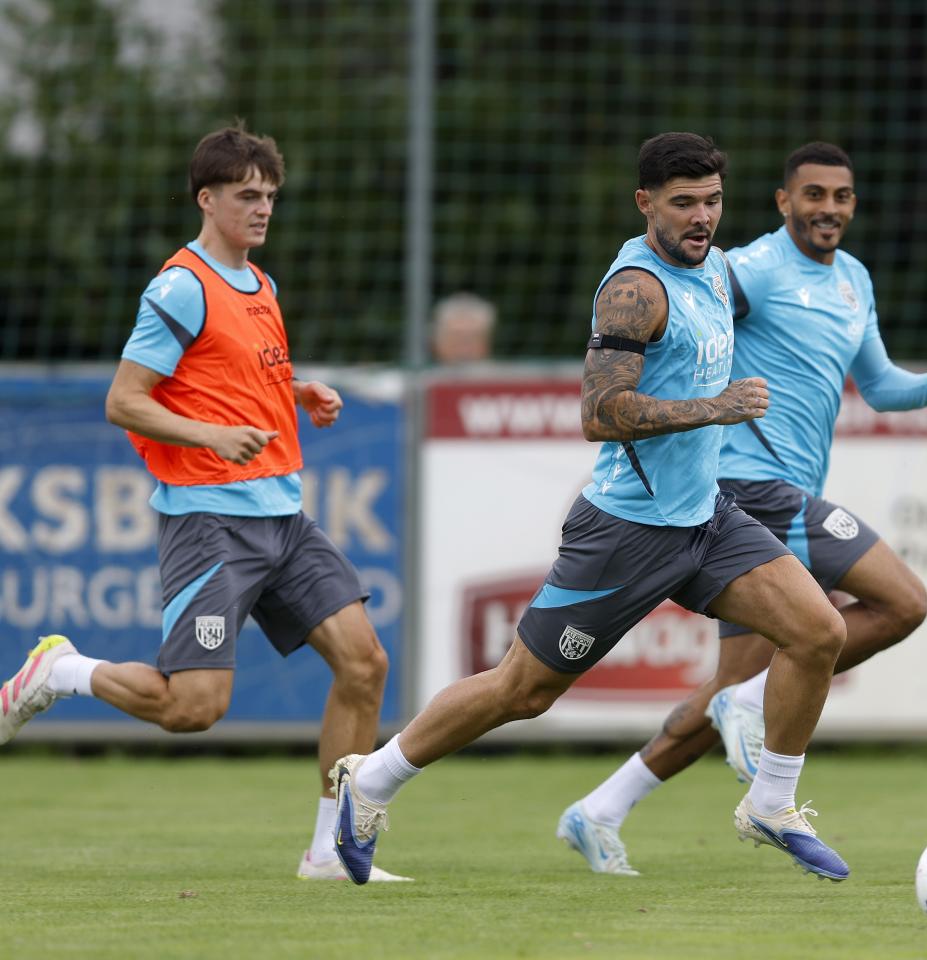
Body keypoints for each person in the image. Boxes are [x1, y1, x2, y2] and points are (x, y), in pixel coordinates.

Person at [327, 132, 851, 885]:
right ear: (645, 203)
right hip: (626, 532)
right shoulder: (634, 289)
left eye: (711, 201)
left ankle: (771, 802)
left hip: (705, 520)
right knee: (522, 690)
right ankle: (371, 780)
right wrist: (717, 408)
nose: (701, 217)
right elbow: (599, 412)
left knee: (818, 630)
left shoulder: (720, 268)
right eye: (684, 204)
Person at [558, 141, 927, 875]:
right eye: (812, 194)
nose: (828, 208)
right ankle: (753, 729)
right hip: (749, 485)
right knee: (903, 601)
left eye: (842, 196)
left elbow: (880, 387)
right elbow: (684, 307)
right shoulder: (748, 268)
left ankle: (601, 809)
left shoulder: (852, 279)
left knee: (735, 688)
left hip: (781, 494)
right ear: (784, 202)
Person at [0, 123, 408, 883]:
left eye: (270, 196)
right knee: (194, 709)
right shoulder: (180, 285)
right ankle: (59, 672)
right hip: (209, 520)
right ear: (207, 198)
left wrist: (298, 390)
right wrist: (212, 437)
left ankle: (332, 851)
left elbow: (231, 377)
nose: (261, 209)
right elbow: (127, 401)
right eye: (247, 195)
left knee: (365, 662)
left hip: (283, 516)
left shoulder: (264, 286)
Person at [430, 291, 496, 364]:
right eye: (456, 340)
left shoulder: (501, 374)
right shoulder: (422, 374)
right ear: (437, 345)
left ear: (486, 344)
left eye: (472, 340)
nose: (464, 351)